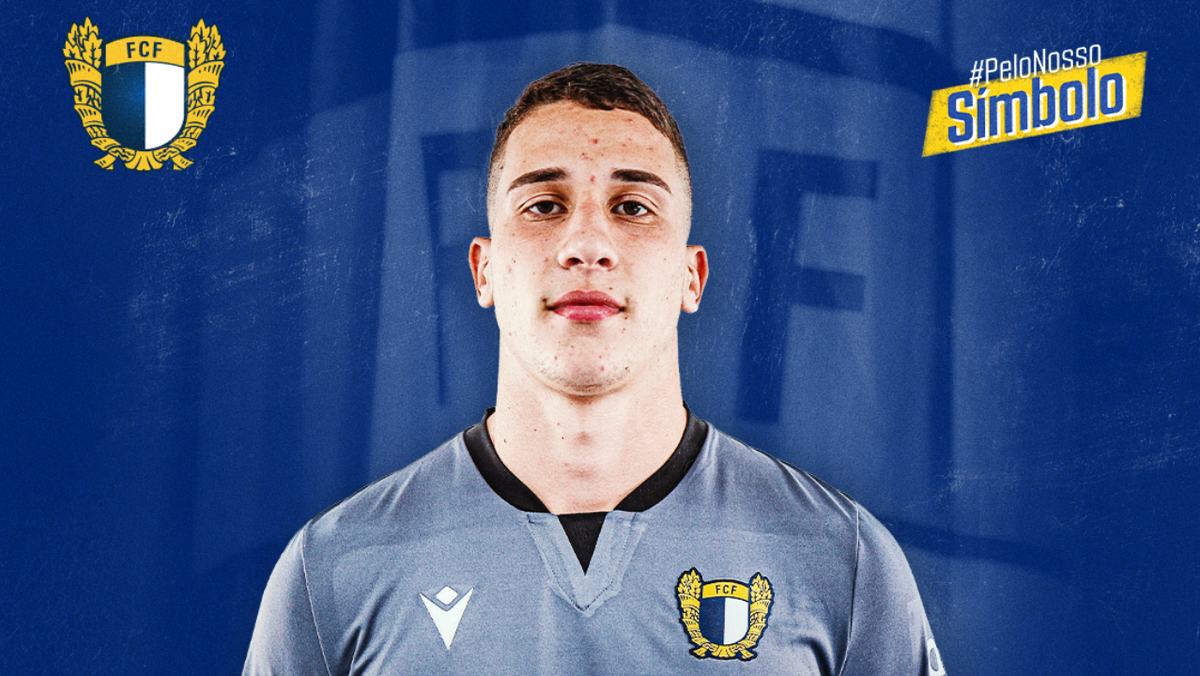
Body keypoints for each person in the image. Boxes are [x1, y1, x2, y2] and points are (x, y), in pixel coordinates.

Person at [243, 63, 945, 675]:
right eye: (543, 205)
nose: (586, 242)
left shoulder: (843, 560)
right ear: (484, 270)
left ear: (692, 277)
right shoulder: (334, 568)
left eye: (633, 207)